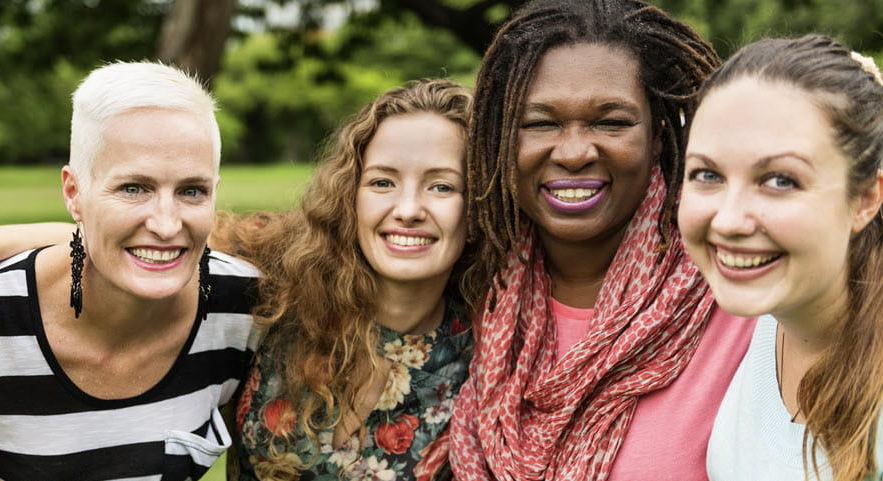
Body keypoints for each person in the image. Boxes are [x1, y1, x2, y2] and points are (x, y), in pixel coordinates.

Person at [447, 0, 756, 479]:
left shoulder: (740, 301)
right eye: (540, 123)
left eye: (611, 123)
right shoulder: (467, 290)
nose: (574, 153)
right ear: (501, 136)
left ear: (657, 134)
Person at [0, 62, 260, 480]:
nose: (166, 224)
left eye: (191, 191)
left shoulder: (244, 308)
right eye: (133, 188)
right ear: (74, 193)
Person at [225, 79, 481, 480]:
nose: (408, 209)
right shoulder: (272, 291)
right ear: (351, 196)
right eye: (383, 182)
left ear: (478, 208)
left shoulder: (489, 360)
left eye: (442, 186)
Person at [678, 35, 883, 481]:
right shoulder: (764, 315)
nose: (729, 220)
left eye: (780, 181)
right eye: (707, 174)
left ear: (866, 198)